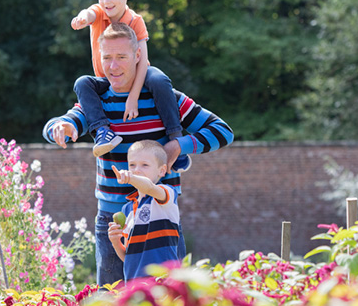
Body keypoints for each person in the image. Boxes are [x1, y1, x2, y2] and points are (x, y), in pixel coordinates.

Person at [42, 23, 234, 286]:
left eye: (121, 57)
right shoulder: (95, 102)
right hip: (113, 222)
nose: (113, 66)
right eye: (107, 57)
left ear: (137, 57)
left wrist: (179, 146)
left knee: (167, 299)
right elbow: (59, 123)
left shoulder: (165, 99)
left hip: (159, 219)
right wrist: (62, 127)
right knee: (112, 297)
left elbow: (223, 131)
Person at [70, 0, 189, 171]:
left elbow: (143, 61)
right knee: (82, 83)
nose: (106, 1)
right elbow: (89, 12)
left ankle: (175, 137)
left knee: (159, 80)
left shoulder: (135, 20)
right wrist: (82, 18)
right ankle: (102, 131)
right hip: (109, 79)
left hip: (138, 76)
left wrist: (133, 97)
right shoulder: (99, 13)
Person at [107, 140, 180, 282]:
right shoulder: (127, 209)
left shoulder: (166, 194)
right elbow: (129, 256)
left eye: (145, 165)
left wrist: (132, 178)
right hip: (135, 284)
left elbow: (149, 188)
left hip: (163, 282)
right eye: (132, 165)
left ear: (162, 170)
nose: (136, 170)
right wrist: (116, 242)